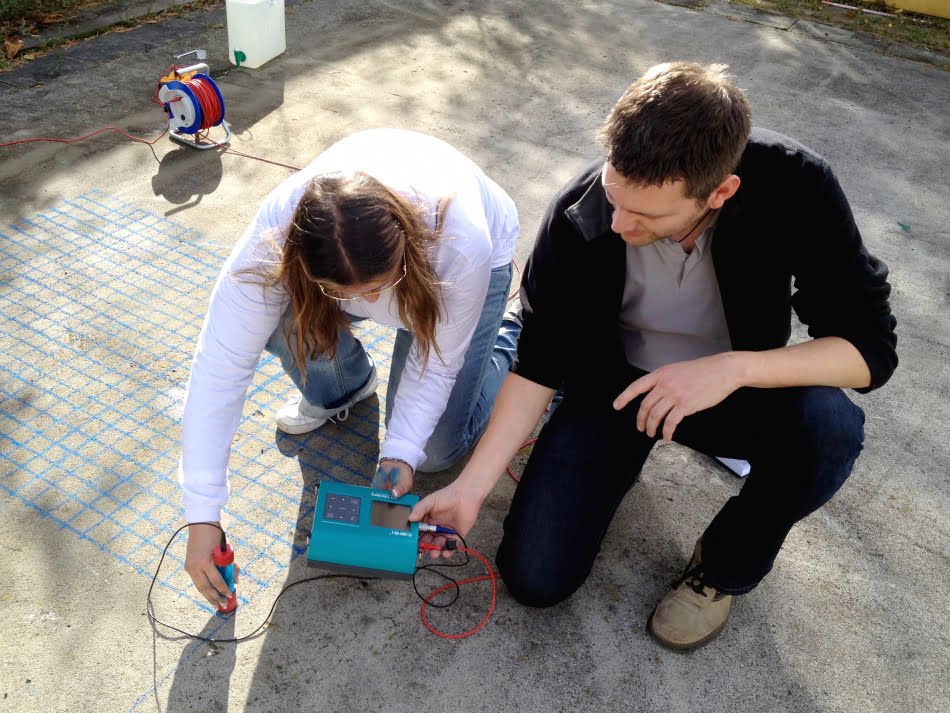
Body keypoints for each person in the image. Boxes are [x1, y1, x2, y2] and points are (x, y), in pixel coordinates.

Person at [410, 62, 898, 650]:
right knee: (536, 579)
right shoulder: (582, 211)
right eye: (616, 198)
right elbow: (538, 364)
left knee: (830, 428)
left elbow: (870, 350)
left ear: (721, 191)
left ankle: (720, 569)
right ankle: (613, 461)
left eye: (647, 216)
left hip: (731, 390)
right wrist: (470, 488)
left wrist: (734, 369)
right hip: (612, 390)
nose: (617, 223)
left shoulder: (798, 184)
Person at [178, 128, 521, 609]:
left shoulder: (461, 242)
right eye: (345, 292)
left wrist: (401, 451)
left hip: (449, 278)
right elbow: (218, 371)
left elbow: (436, 363)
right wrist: (202, 515)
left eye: (382, 285)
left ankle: (513, 337)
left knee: (438, 452)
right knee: (274, 318)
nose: (373, 304)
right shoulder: (271, 243)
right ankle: (346, 387)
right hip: (375, 266)